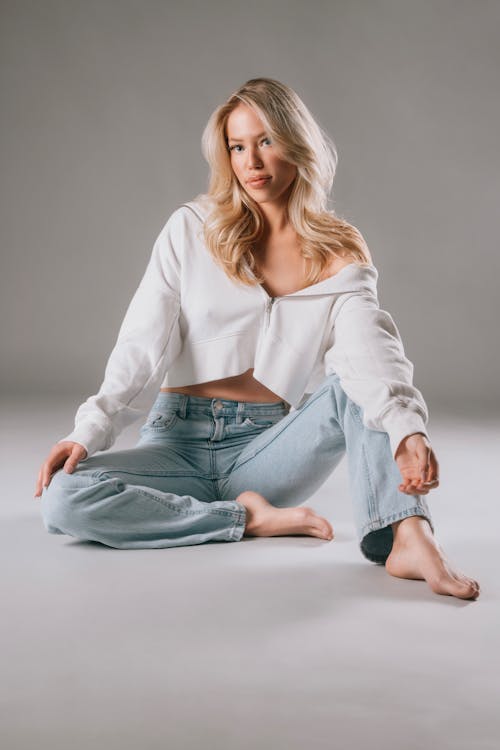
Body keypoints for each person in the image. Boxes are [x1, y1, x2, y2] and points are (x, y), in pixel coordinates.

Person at [34, 77, 479, 600]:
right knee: (64, 499)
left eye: (265, 141)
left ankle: (409, 534)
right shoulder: (192, 229)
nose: (252, 161)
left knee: (353, 388)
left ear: (296, 142)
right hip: (176, 445)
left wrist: (408, 430)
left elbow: (369, 349)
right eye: (237, 147)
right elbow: (142, 343)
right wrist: (92, 427)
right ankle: (243, 518)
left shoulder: (337, 249)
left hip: (268, 449)